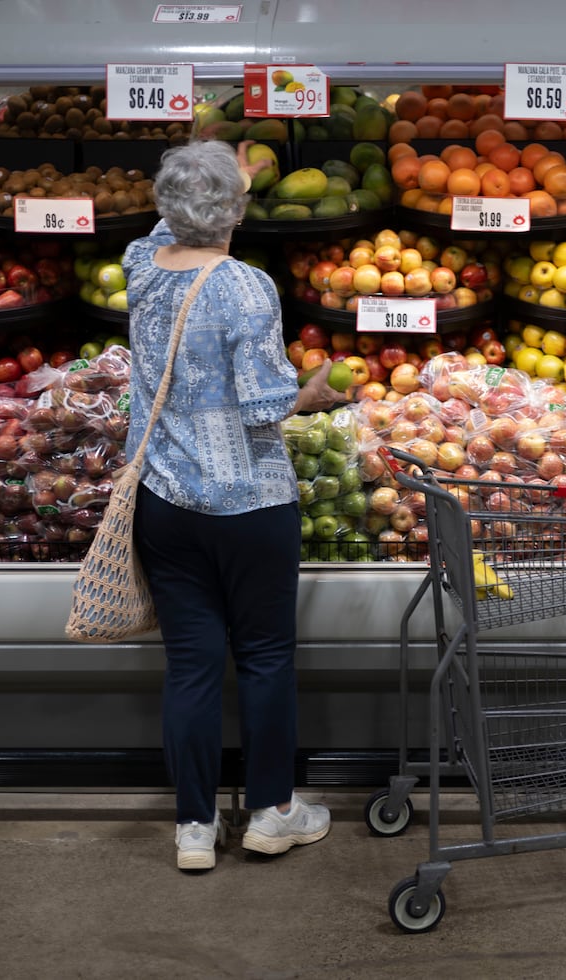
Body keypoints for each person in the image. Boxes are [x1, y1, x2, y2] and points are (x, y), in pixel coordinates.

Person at [122, 138, 347, 871]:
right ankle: (272, 811)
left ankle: (194, 825)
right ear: (237, 209)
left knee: (190, 665)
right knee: (264, 657)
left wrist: (209, 188)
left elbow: (176, 218)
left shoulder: (139, 267)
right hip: (249, 505)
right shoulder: (246, 287)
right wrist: (312, 393)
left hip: (165, 498)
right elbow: (264, 404)